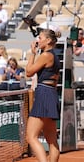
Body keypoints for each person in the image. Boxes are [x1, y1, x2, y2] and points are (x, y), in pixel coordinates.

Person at [26, 29, 60, 162]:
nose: (37, 41)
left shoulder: (46, 55)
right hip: (51, 94)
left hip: (44, 94)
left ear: (48, 40)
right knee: (51, 139)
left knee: (31, 137)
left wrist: (32, 54)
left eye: (40, 38)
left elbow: (29, 72)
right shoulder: (54, 56)